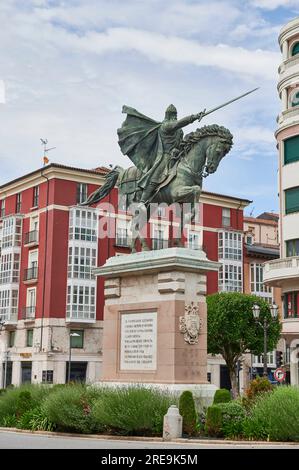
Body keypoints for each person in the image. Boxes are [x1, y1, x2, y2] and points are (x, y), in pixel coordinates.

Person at [117, 104, 206, 205]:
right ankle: (143, 200)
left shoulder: (179, 131)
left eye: (175, 115)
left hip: (177, 157)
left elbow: (180, 143)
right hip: (164, 156)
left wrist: (180, 149)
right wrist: (193, 117)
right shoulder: (166, 126)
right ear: (168, 116)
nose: (174, 117)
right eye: (173, 115)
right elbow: (178, 124)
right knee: (157, 173)